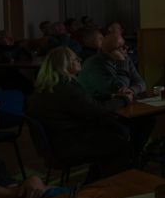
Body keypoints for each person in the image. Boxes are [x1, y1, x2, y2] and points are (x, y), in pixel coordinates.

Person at [27, 48, 133, 182]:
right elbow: (97, 110)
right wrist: (124, 100)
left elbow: (85, 101)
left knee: (115, 131)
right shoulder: (66, 87)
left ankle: (95, 181)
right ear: (64, 64)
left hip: (57, 142)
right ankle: (102, 186)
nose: (80, 60)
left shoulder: (52, 85)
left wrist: (112, 96)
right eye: (75, 59)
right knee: (120, 144)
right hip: (69, 144)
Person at [78, 33, 145, 103]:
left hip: (121, 101)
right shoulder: (93, 64)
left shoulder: (126, 58)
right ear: (110, 52)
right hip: (99, 104)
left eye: (125, 44)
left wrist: (132, 90)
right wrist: (121, 62)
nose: (127, 47)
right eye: (122, 47)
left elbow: (141, 82)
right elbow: (118, 89)